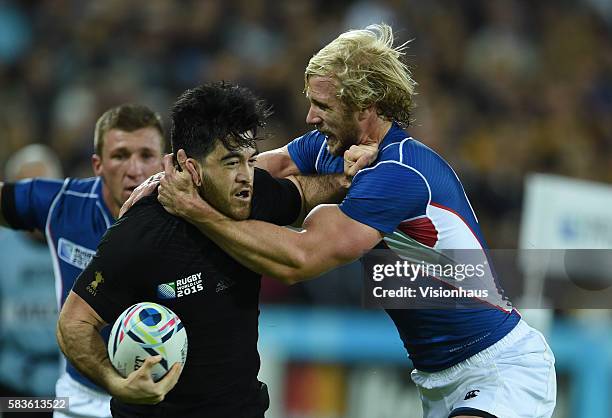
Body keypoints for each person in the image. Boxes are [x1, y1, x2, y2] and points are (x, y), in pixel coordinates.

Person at [156, 25, 557, 418]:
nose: (311, 117)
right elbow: (264, 167)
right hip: (438, 377)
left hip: (499, 367)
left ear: (364, 106)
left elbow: (299, 260)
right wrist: (184, 176)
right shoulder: (336, 146)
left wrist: (197, 210)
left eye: (324, 106)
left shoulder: (399, 172)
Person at [57, 81, 350, 418]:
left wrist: (351, 174)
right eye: (229, 163)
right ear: (190, 166)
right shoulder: (142, 232)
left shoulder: (250, 195)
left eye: (249, 160)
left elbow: (306, 191)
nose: (245, 177)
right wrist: (116, 382)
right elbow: (74, 322)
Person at [0, 104, 165, 418]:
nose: (135, 170)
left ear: (165, 162)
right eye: (120, 155)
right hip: (76, 400)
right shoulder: (64, 205)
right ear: (97, 164)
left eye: (146, 155)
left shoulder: (192, 217)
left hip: (160, 399)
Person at [0, 145, 63, 418]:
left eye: (44, 190)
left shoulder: (84, 242)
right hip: (13, 387)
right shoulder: (2, 249)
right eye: (26, 194)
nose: (35, 203)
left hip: (70, 387)